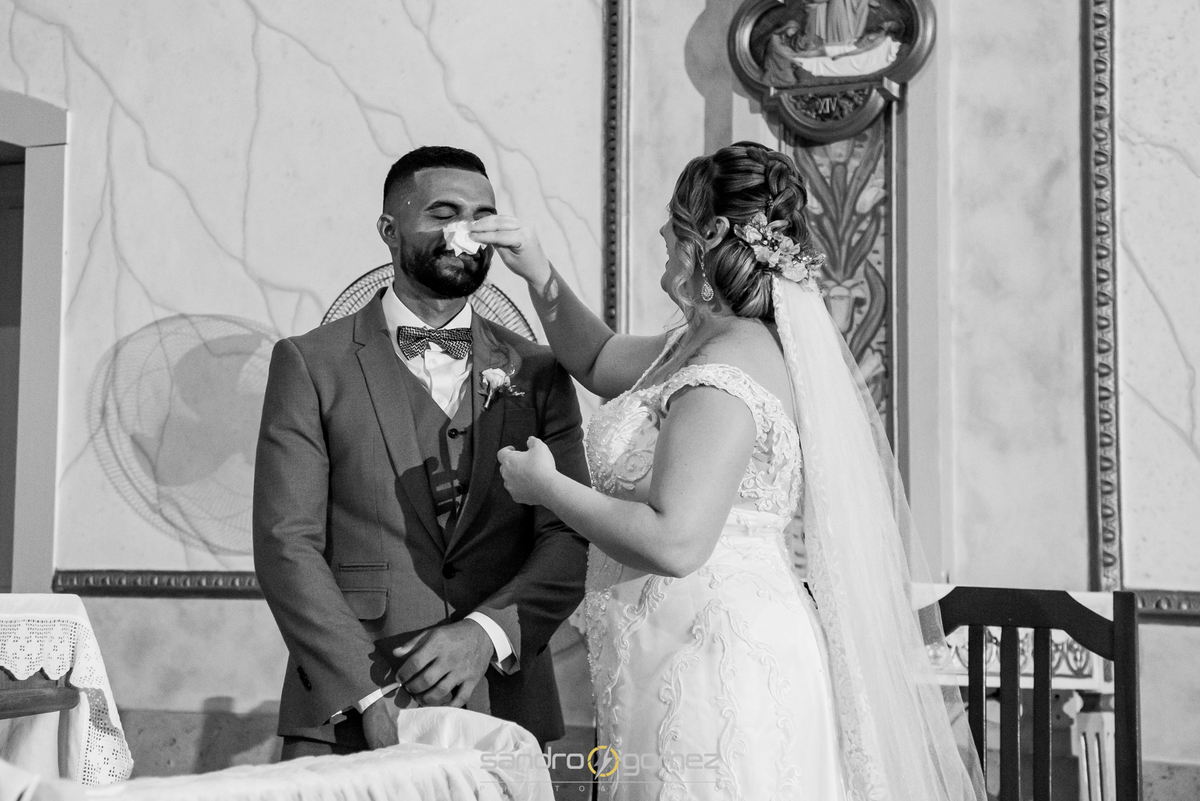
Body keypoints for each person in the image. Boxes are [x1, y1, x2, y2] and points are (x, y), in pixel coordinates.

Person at [471, 142, 985, 799]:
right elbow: (597, 358)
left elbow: (675, 541)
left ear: (707, 235)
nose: (661, 234)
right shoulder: (700, 342)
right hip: (670, 647)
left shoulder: (724, 370)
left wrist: (547, 488)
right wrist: (538, 270)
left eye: (673, 220)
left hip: (713, 661)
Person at [253, 146, 590, 759]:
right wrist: (367, 696)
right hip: (349, 715)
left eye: (482, 216)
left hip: (505, 706)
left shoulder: (540, 371)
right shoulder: (309, 363)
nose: (466, 231)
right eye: (443, 213)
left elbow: (568, 537)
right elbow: (286, 542)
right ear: (389, 230)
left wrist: (486, 634)